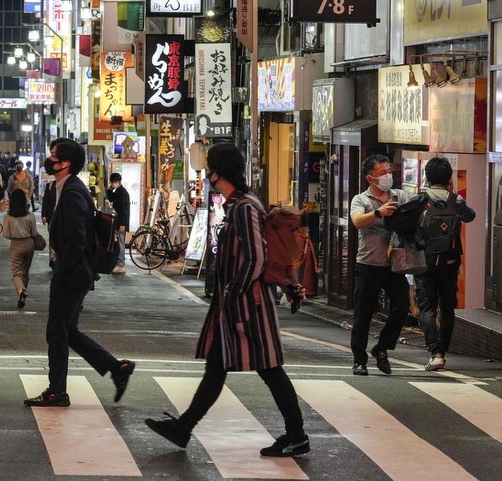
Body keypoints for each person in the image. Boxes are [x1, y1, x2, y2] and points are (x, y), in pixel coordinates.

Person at [145, 142, 309, 457]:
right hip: (239, 303)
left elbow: (255, 257)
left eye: (208, 167)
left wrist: (234, 291)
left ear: (217, 171)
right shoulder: (239, 204)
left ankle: (297, 434)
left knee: (269, 368)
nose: (205, 172)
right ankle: (184, 427)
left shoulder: (245, 207)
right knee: (219, 366)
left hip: (248, 305)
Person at [24, 137, 134, 408]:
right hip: (76, 272)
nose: (49, 160)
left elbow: (77, 239)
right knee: (67, 330)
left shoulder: (73, 192)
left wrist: (63, 270)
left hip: (72, 273)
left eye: (53, 155)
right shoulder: (67, 187)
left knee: (57, 331)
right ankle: (116, 368)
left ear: (65, 163)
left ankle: (57, 391)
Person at [348, 154, 410, 376]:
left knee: (402, 307)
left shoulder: (399, 195)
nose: (387, 176)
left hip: (394, 265)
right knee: (363, 314)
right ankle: (359, 360)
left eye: (389, 171)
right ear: (370, 178)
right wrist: (377, 212)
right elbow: (356, 221)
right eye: (382, 173)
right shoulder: (361, 200)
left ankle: (381, 347)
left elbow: (413, 217)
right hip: (368, 264)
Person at [416, 158, 475, 372]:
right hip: (450, 263)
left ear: (427, 178)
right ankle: (443, 351)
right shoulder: (455, 199)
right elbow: (471, 217)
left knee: (427, 307)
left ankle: (435, 353)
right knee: (447, 307)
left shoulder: (421, 199)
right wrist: (454, 196)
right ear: (449, 179)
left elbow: (406, 225)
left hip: (425, 262)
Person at [1, 188, 38, 308]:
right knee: (25, 272)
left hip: (16, 245)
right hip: (29, 244)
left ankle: (21, 291)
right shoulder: (30, 215)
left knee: (16, 273)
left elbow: (5, 234)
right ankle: (23, 293)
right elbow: (34, 232)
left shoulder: (8, 217)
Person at [106, 173, 130, 275]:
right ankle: (118, 263)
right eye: (112, 182)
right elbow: (111, 198)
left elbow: (125, 210)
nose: (113, 184)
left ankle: (121, 264)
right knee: (119, 243)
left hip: (121, 223)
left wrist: (123, 224)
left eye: (113, 182)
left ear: (118, 181)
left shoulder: (123, 193)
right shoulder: (118, 191)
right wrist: (110, 189)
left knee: (120, 243)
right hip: (118, 222)